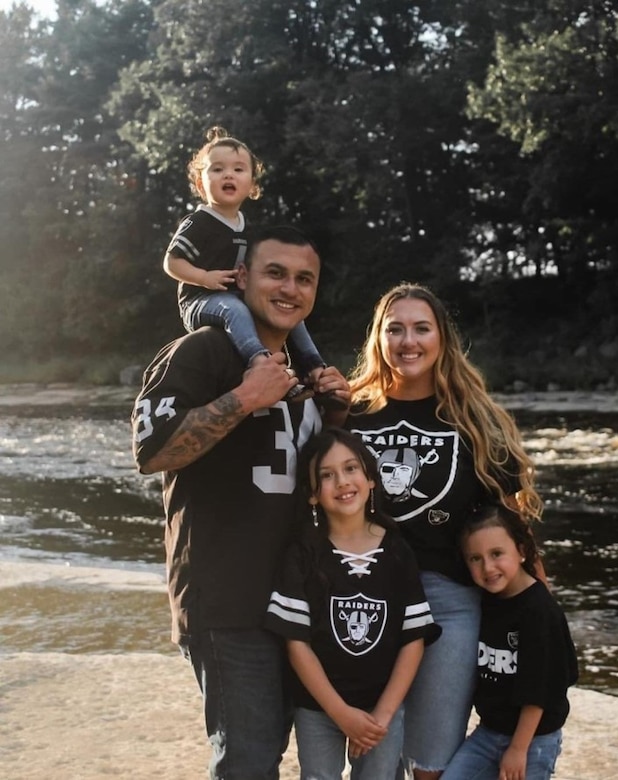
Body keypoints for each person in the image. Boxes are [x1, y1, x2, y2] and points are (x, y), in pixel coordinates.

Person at [132, 225, 351, 780]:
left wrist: (338, 418)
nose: (290, 289)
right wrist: (243, 398)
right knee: (249, 762)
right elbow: (151, 452)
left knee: (266, 750)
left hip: (292, 598)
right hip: (226, 599)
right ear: (242, 278)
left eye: (305, 279)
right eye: (275, 273)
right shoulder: (201, 351)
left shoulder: (304, 369)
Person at [346, 283, 545, 779]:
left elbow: (507, 519)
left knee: (432, 761)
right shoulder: (348, 414)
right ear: (378, 338)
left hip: (449, 604)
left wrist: (538, 600)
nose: (407, 341)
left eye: (421, 328)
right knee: (372, 753)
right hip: (365, 598)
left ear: (441, 340)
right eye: (395, 329)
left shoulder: (472, 420)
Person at [266, 428, 440, 779]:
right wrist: (340, 713)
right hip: (318, 708)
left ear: (371, 479)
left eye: (350, 469)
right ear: (313, 495)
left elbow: (413, 639)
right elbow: (295, 643)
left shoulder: (396, 550)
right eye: (327, 476)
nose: (342, 482)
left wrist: (383, 716)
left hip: (382, 708)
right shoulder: (303, 553)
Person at [164, 125, 340, 406]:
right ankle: (263, 364)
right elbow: (172, 262)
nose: (228, 175)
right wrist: (204, 277)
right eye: (217, 169)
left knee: (292, 313)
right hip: (202, 301)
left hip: (237, 298)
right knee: (234, 309)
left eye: (238, 169)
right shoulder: (198, 222)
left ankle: (314, 369)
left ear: (252, 186)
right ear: (200, 184)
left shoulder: (248, 227)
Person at [441, 503, 578, 780]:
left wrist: (518, 749)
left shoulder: (539, 611)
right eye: (475, 559)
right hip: (488, 733)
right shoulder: (487, 599)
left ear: (522, 551)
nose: (488, 567)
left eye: (497, 554)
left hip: (532, 740)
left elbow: (538, 690)